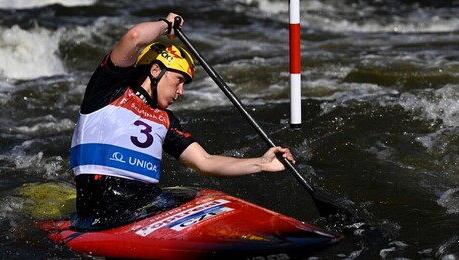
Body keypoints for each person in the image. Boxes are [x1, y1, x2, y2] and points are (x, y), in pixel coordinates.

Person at [69, 12, 296, 231]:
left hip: (145, 206)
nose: (181, 92)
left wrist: (261, 163)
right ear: (156, 70)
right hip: (103, 212)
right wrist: (167, 25)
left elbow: (206, 162)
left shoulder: (166, 120)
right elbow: (134, 37)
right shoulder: (108, 91)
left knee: (202, 194)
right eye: (179, 80)